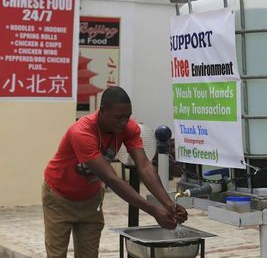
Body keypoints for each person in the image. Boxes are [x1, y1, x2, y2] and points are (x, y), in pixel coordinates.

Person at [42, 86, 187, 258]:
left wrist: (169, 204)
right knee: (56, 254)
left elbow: (144, 166)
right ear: (102, 111)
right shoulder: (82, 132)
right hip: (59, 197)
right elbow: (112, 179)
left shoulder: (129, 128)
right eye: (119, 117)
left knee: (89, 255)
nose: (124, 122)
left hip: (90, 199)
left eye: (127, 116)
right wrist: (154, 211)